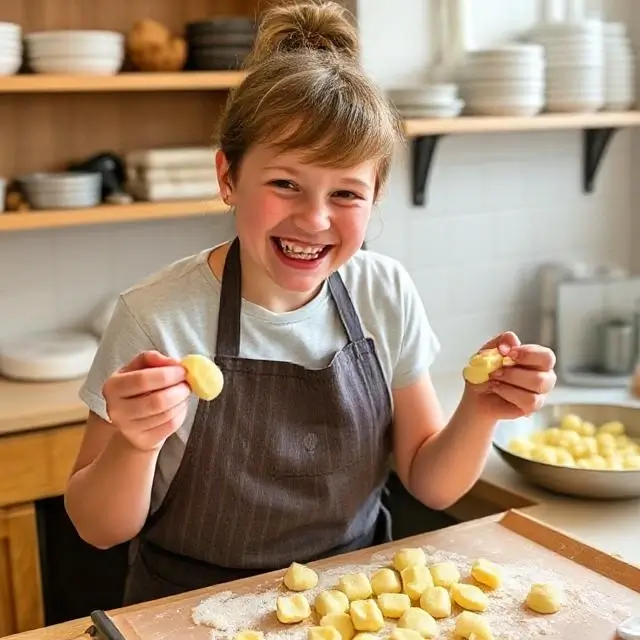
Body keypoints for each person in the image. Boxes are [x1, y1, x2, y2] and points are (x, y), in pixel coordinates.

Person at [64, 0, 557, 607]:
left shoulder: (385, 292)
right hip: (190, 610)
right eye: (285, 184)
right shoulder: (157, 316)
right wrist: (135, 445)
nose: (314, 219)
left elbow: (431, 484)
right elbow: (97, 525)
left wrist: (480, 410)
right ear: (227, 177)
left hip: (355, 603)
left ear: (375, 198)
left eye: (347, 192)